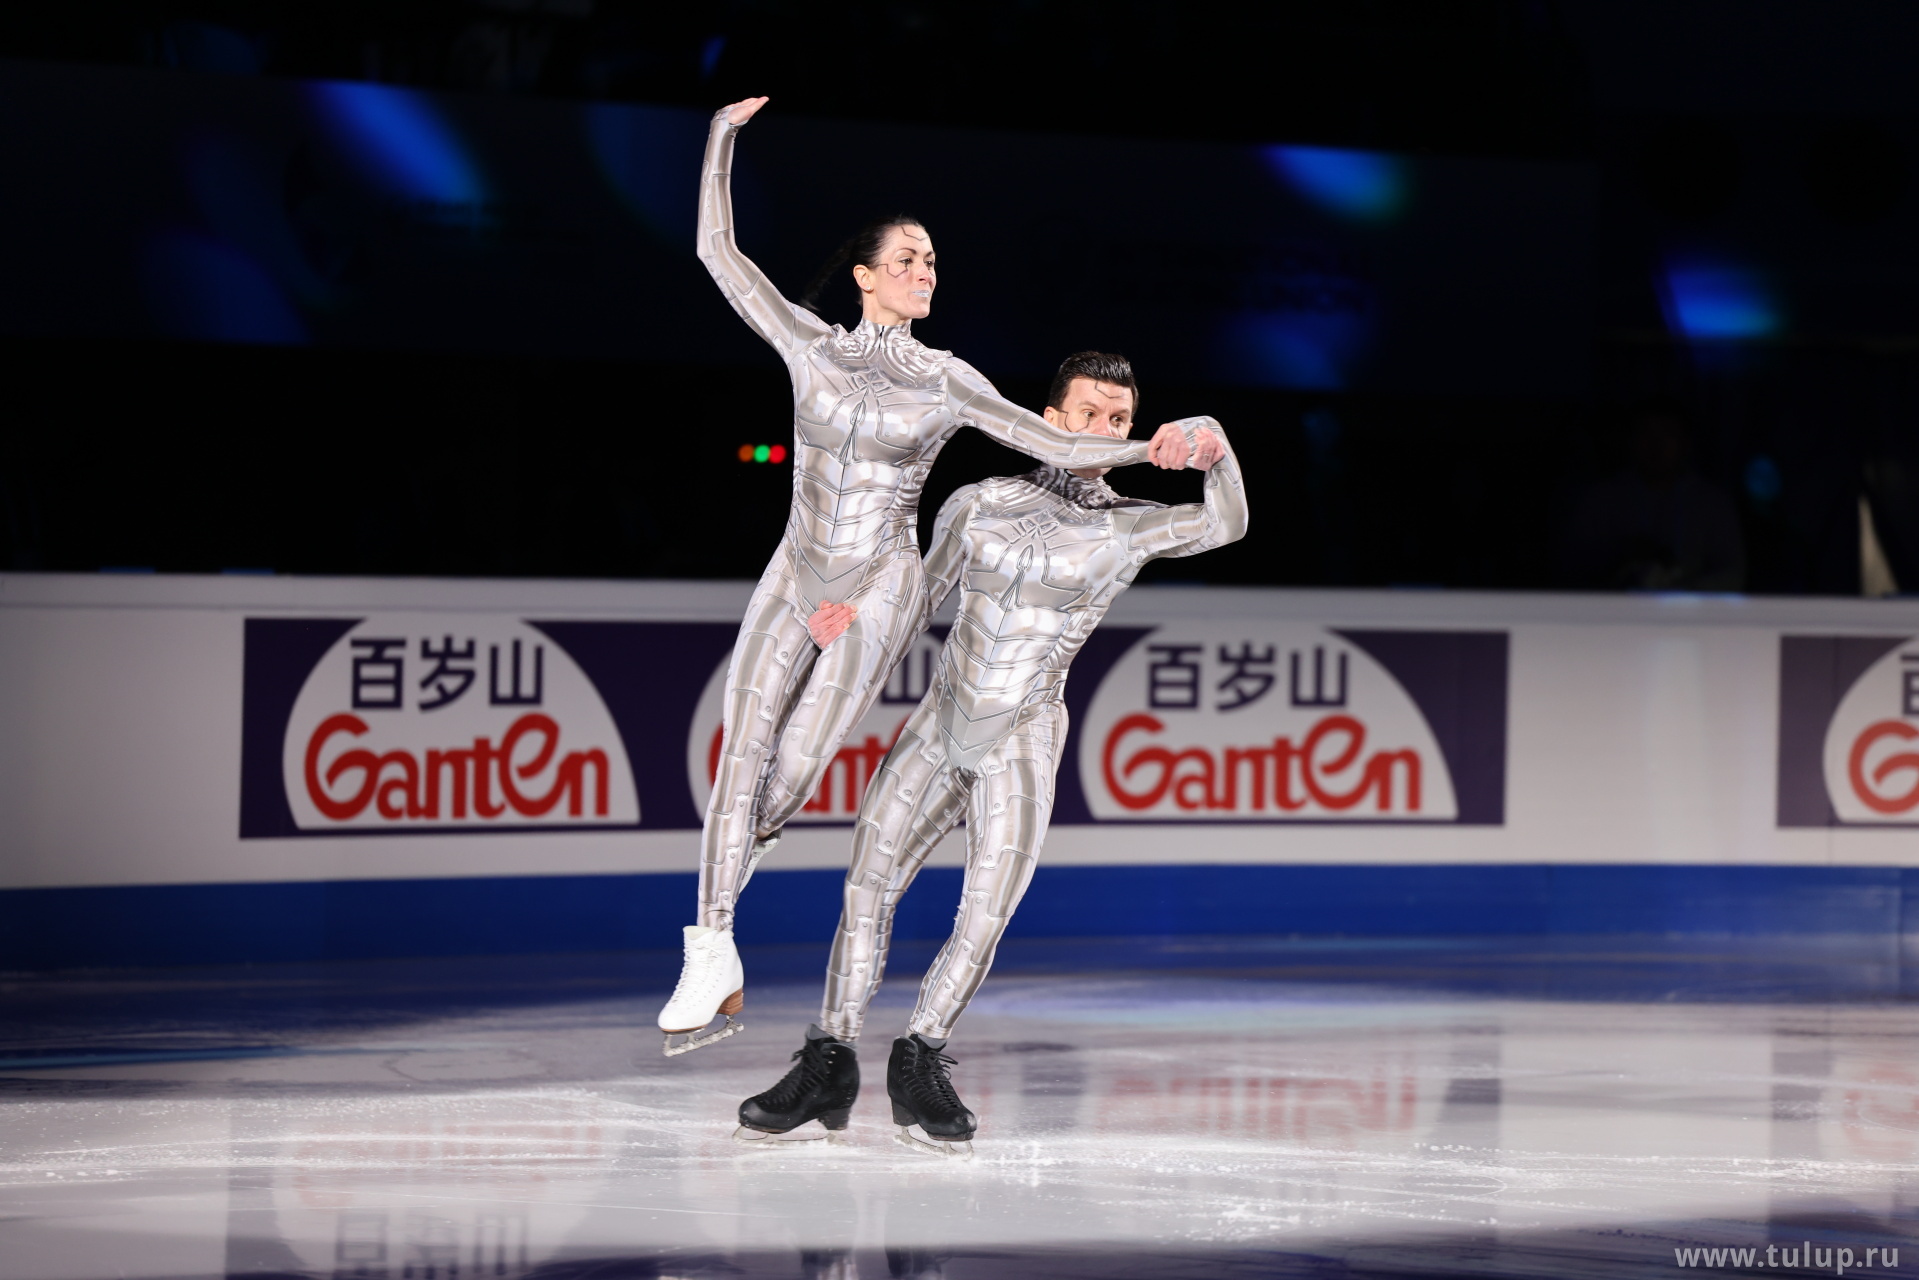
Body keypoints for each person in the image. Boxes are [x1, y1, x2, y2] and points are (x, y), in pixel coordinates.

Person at [657, 99, 1200, 1056]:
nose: (925, 271)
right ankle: (710, 946)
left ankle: (728, 929)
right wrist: (721, 137)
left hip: (879, 584)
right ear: (864, 275)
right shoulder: (809, 344)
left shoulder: (948, 378)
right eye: (908, 258)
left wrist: (1138, 449)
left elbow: (1047, 439)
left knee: (793, 770)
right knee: (739, 755)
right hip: (795, 570)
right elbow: (716, 252)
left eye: (933, 261)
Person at [733, 352, 1244, 1154]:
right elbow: (916, 603)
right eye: (1088, 413)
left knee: (985, 908)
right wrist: (847, 628)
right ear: (1050, 419)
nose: (1104, 429)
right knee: (866, 887)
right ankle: (828, 1062)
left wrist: (1214, 442)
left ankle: (920, 1058)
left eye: (1119, 419)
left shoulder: (1129, 524)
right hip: (938, 720)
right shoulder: (978, 504)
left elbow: (1226, 524)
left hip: (1025, 732)